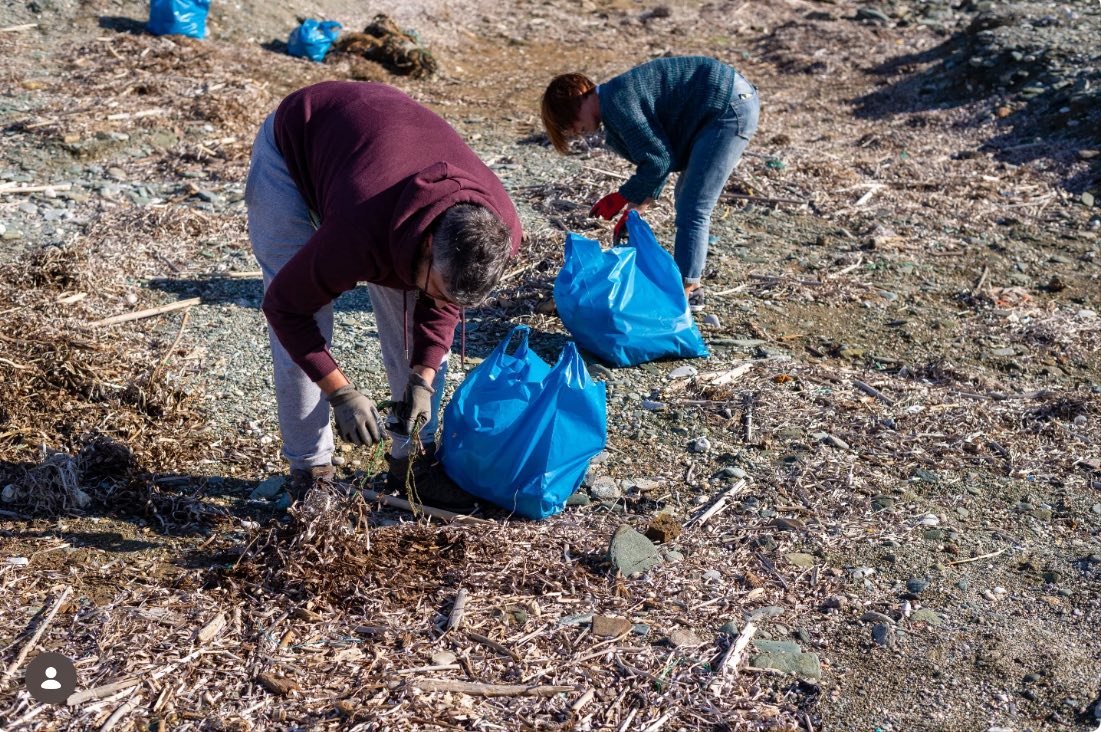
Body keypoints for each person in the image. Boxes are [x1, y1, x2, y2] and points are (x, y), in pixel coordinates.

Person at [246, 81, 523, 511]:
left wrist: (423, 379)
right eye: (440, 288)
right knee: (307, 311)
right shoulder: (358, 229)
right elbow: (284, 308)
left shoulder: (499, 230)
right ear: (428, 244)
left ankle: (412, 460)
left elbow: (442, 304)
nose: (443, 302)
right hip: (298, 143)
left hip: (385, 149)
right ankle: (310, 470)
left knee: (417, 303)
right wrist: (339, 392)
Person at [540, 56, 759, 312]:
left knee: (694, 206)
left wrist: (624, 197)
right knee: (686, 198)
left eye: (569, 122)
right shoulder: (614, 100)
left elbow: (658, 161)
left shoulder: (616, 102)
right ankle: (688, 285)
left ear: (577, 97)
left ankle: (687, 291)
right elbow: (659, 157)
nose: (576, 131)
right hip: (724, 104)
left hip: (727, 107)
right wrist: (633, 208)